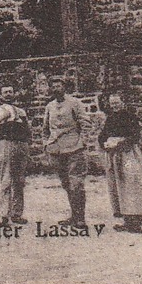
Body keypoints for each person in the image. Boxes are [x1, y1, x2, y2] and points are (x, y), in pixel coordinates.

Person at [98, 91, 142, 232]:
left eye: (117, 103)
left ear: (123, 103)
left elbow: (135, 136)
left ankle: (137, 220)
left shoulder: (130, 117)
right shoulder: (110, 118)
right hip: (114, 156)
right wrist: (104, 143)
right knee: (118, 187)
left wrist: (120, 143)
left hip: (128, 155)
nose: (115, 106)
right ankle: (127, 220)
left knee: (131, 185)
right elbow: (103, 135)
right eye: (112, 103)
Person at [43, 76, 90, 227]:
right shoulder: (49, 106)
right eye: (53, 87)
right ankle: (73, 216)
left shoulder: (74, 103)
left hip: (74, 148)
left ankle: (80, 218)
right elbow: (45, 129)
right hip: (56, 150)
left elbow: (85, 123)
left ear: (64, 87)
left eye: (59, 86)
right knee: (66, 184)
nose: (56, 89)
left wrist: (82, 141)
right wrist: (46, 145)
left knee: (76, 183)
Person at [0, 84, 31, 224]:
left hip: (21, 145)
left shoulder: (21, 111)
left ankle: (17, 214)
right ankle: (5, 214)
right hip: (6, 143)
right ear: (1, 96)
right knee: (6, 179)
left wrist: (27, 145)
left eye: (11, 91)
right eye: (6, 92)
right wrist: (1, 119)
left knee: (20, 180)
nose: (9, 94)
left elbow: (28, 129)